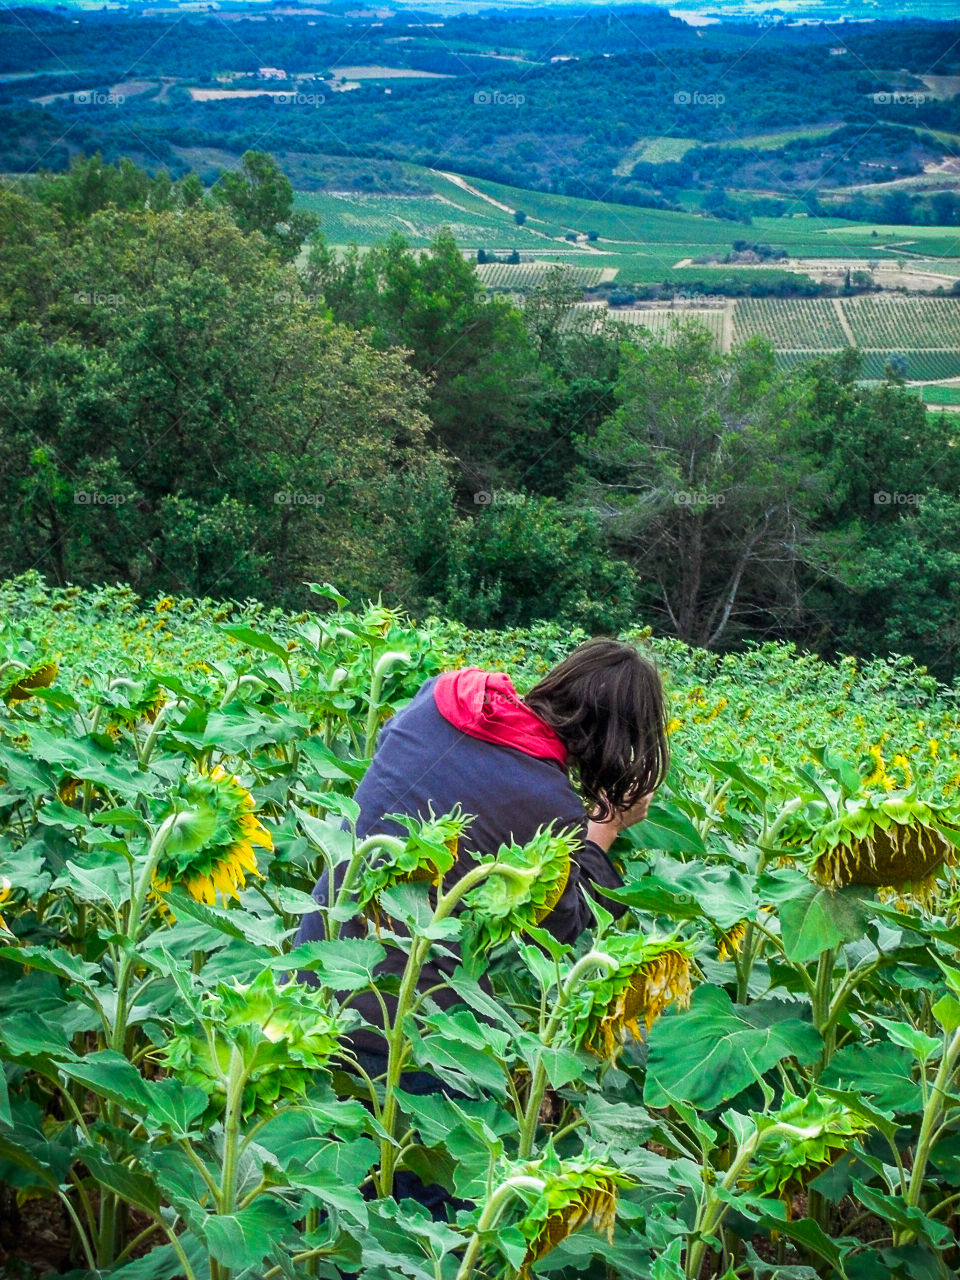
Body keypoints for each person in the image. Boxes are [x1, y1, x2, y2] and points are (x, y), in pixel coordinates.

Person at [295, 637, 669, 1078]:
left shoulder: (445, 694)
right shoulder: (549, 801)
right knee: (476, 1099)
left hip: (311, 970)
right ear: (613, 742)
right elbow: (557, 928)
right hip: (409, 1028)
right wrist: (604, 830)